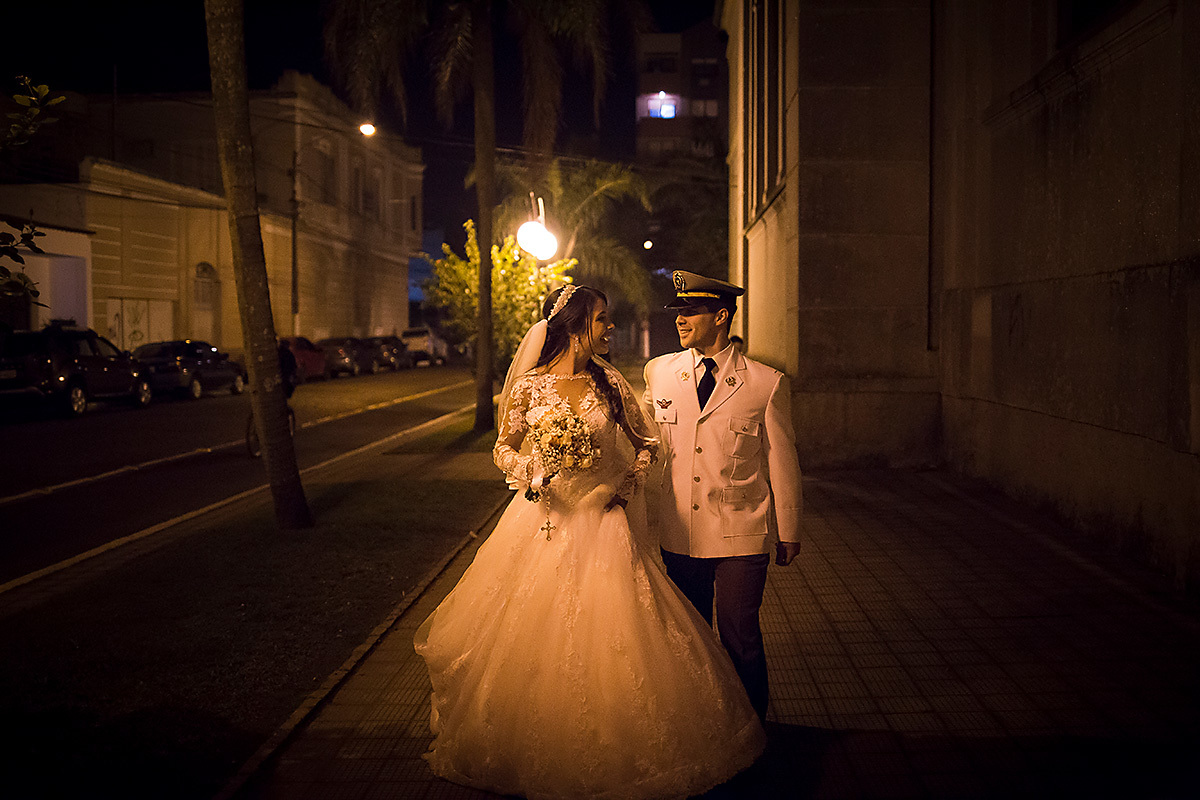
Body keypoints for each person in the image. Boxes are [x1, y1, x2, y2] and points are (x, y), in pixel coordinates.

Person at [415, 284, 765, 799]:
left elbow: (648, 445)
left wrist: (621, 487)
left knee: (621, 629)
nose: (610, 329)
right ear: (577, 325)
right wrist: (532, 475)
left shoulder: (610, 382)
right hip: (543, 519)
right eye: (602, 320)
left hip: (603, 521)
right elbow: (503, 449)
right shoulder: (530, 387)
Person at [642, 270, 803, 722]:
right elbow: (644, 441)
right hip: (680, 533)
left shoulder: (765, 383)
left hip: (740, 532)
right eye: (678, 311)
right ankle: (702, 727)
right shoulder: (661, 372)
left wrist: (788, 531)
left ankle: (753, 726)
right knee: (689, 636)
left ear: (721, 315)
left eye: (691, 311)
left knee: (740, 635)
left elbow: (782, 463)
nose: (680, 319)